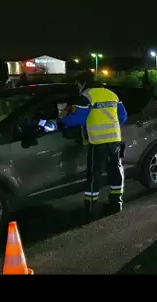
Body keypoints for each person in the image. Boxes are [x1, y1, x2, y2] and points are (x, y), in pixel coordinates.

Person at [59, 71, 128, 214]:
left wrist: (62, 121)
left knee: (94, 174)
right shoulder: (111, 94)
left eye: (77, 84)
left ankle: (90, 207)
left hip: (98, 142)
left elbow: (78, 119)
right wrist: (111, 127)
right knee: (115, 171)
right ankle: (117, 203)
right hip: (115, 140)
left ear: (81, 83)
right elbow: (123, 116)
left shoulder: (86, 96)